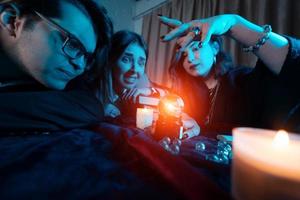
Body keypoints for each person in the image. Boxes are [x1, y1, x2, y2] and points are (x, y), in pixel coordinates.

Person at [159, 14, 300, 133]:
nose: (189, 58)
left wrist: (233, 24)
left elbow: (293, 66)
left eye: (196, 48)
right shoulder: (187, 93)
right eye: (183, 55)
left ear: (215, 48)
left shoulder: (241, 81)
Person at [0, 0, 113, 131]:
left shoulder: (75, 90)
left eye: (86, 56)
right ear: (11, 20)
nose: (80, 66)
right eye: (72, 44)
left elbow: (91, 107)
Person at [97, 30, 200, 139]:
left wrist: (150, 91)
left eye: (141, 63)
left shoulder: (140, 84)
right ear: (110, 60)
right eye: (126, 59)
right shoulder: (93, 91)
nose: (135, 69)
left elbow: (168, 96)